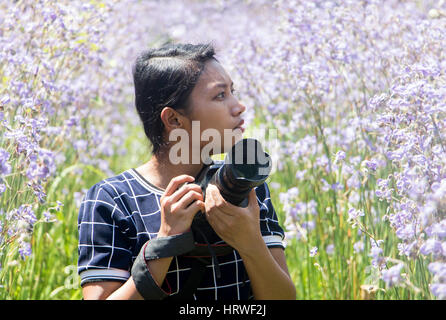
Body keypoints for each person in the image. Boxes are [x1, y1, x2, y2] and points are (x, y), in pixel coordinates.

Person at [77, 43, 296, 300]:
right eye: (220, 96)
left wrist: (250, 243)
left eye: (232, 91)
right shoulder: (113, 199)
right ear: (174, 120)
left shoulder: (245, 187)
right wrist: (166, 241)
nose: (239, 107)